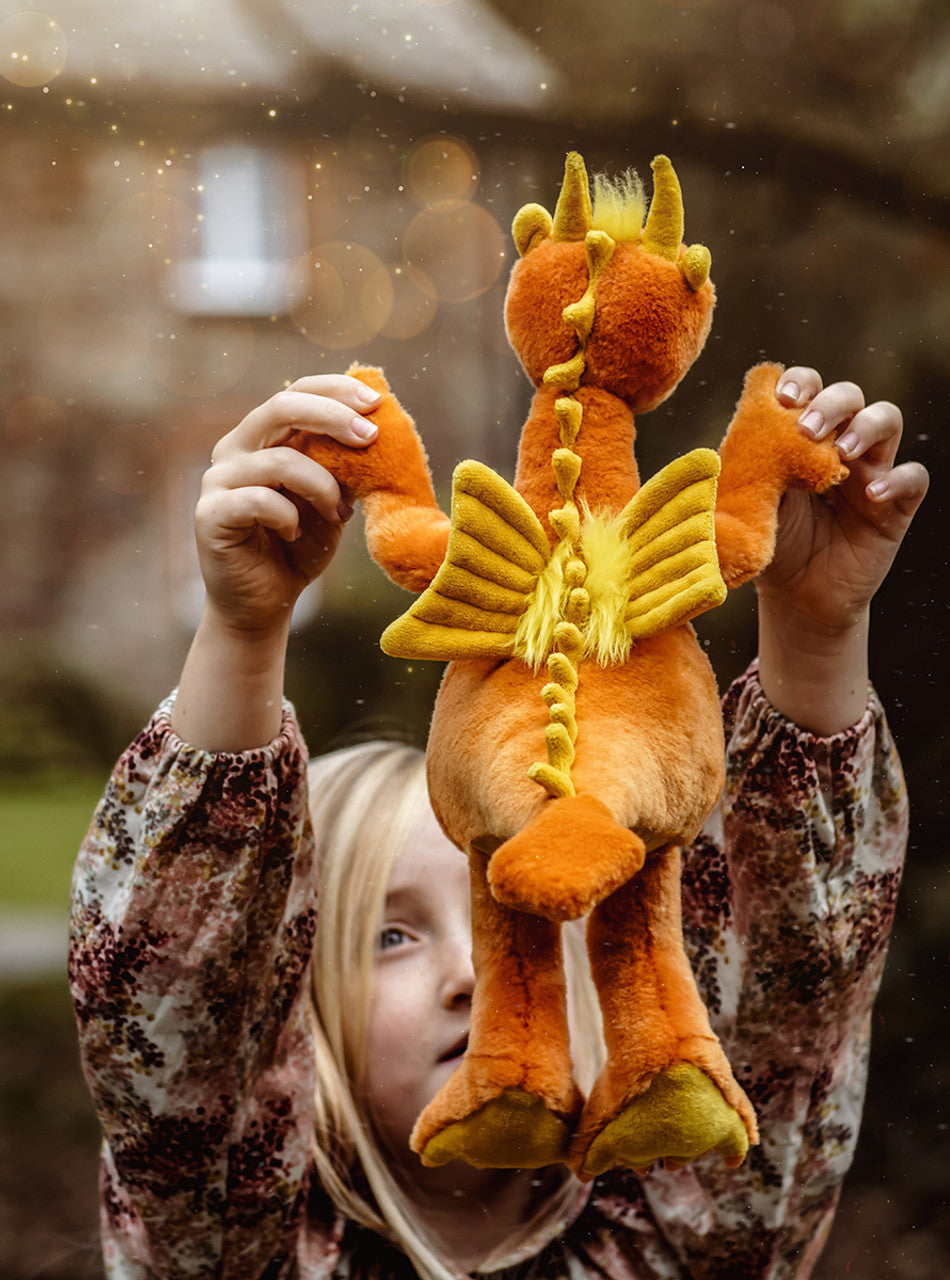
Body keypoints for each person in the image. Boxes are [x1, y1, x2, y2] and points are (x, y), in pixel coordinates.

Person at [69, 366, 928, 1279]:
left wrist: (816, 629)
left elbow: (790, 998)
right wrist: (242, 634)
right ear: (287, 1006)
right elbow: (176, 1007)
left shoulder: (690, 1237)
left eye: (537, 912)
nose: (470, 972)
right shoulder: (230, 1243)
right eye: (391, 934)